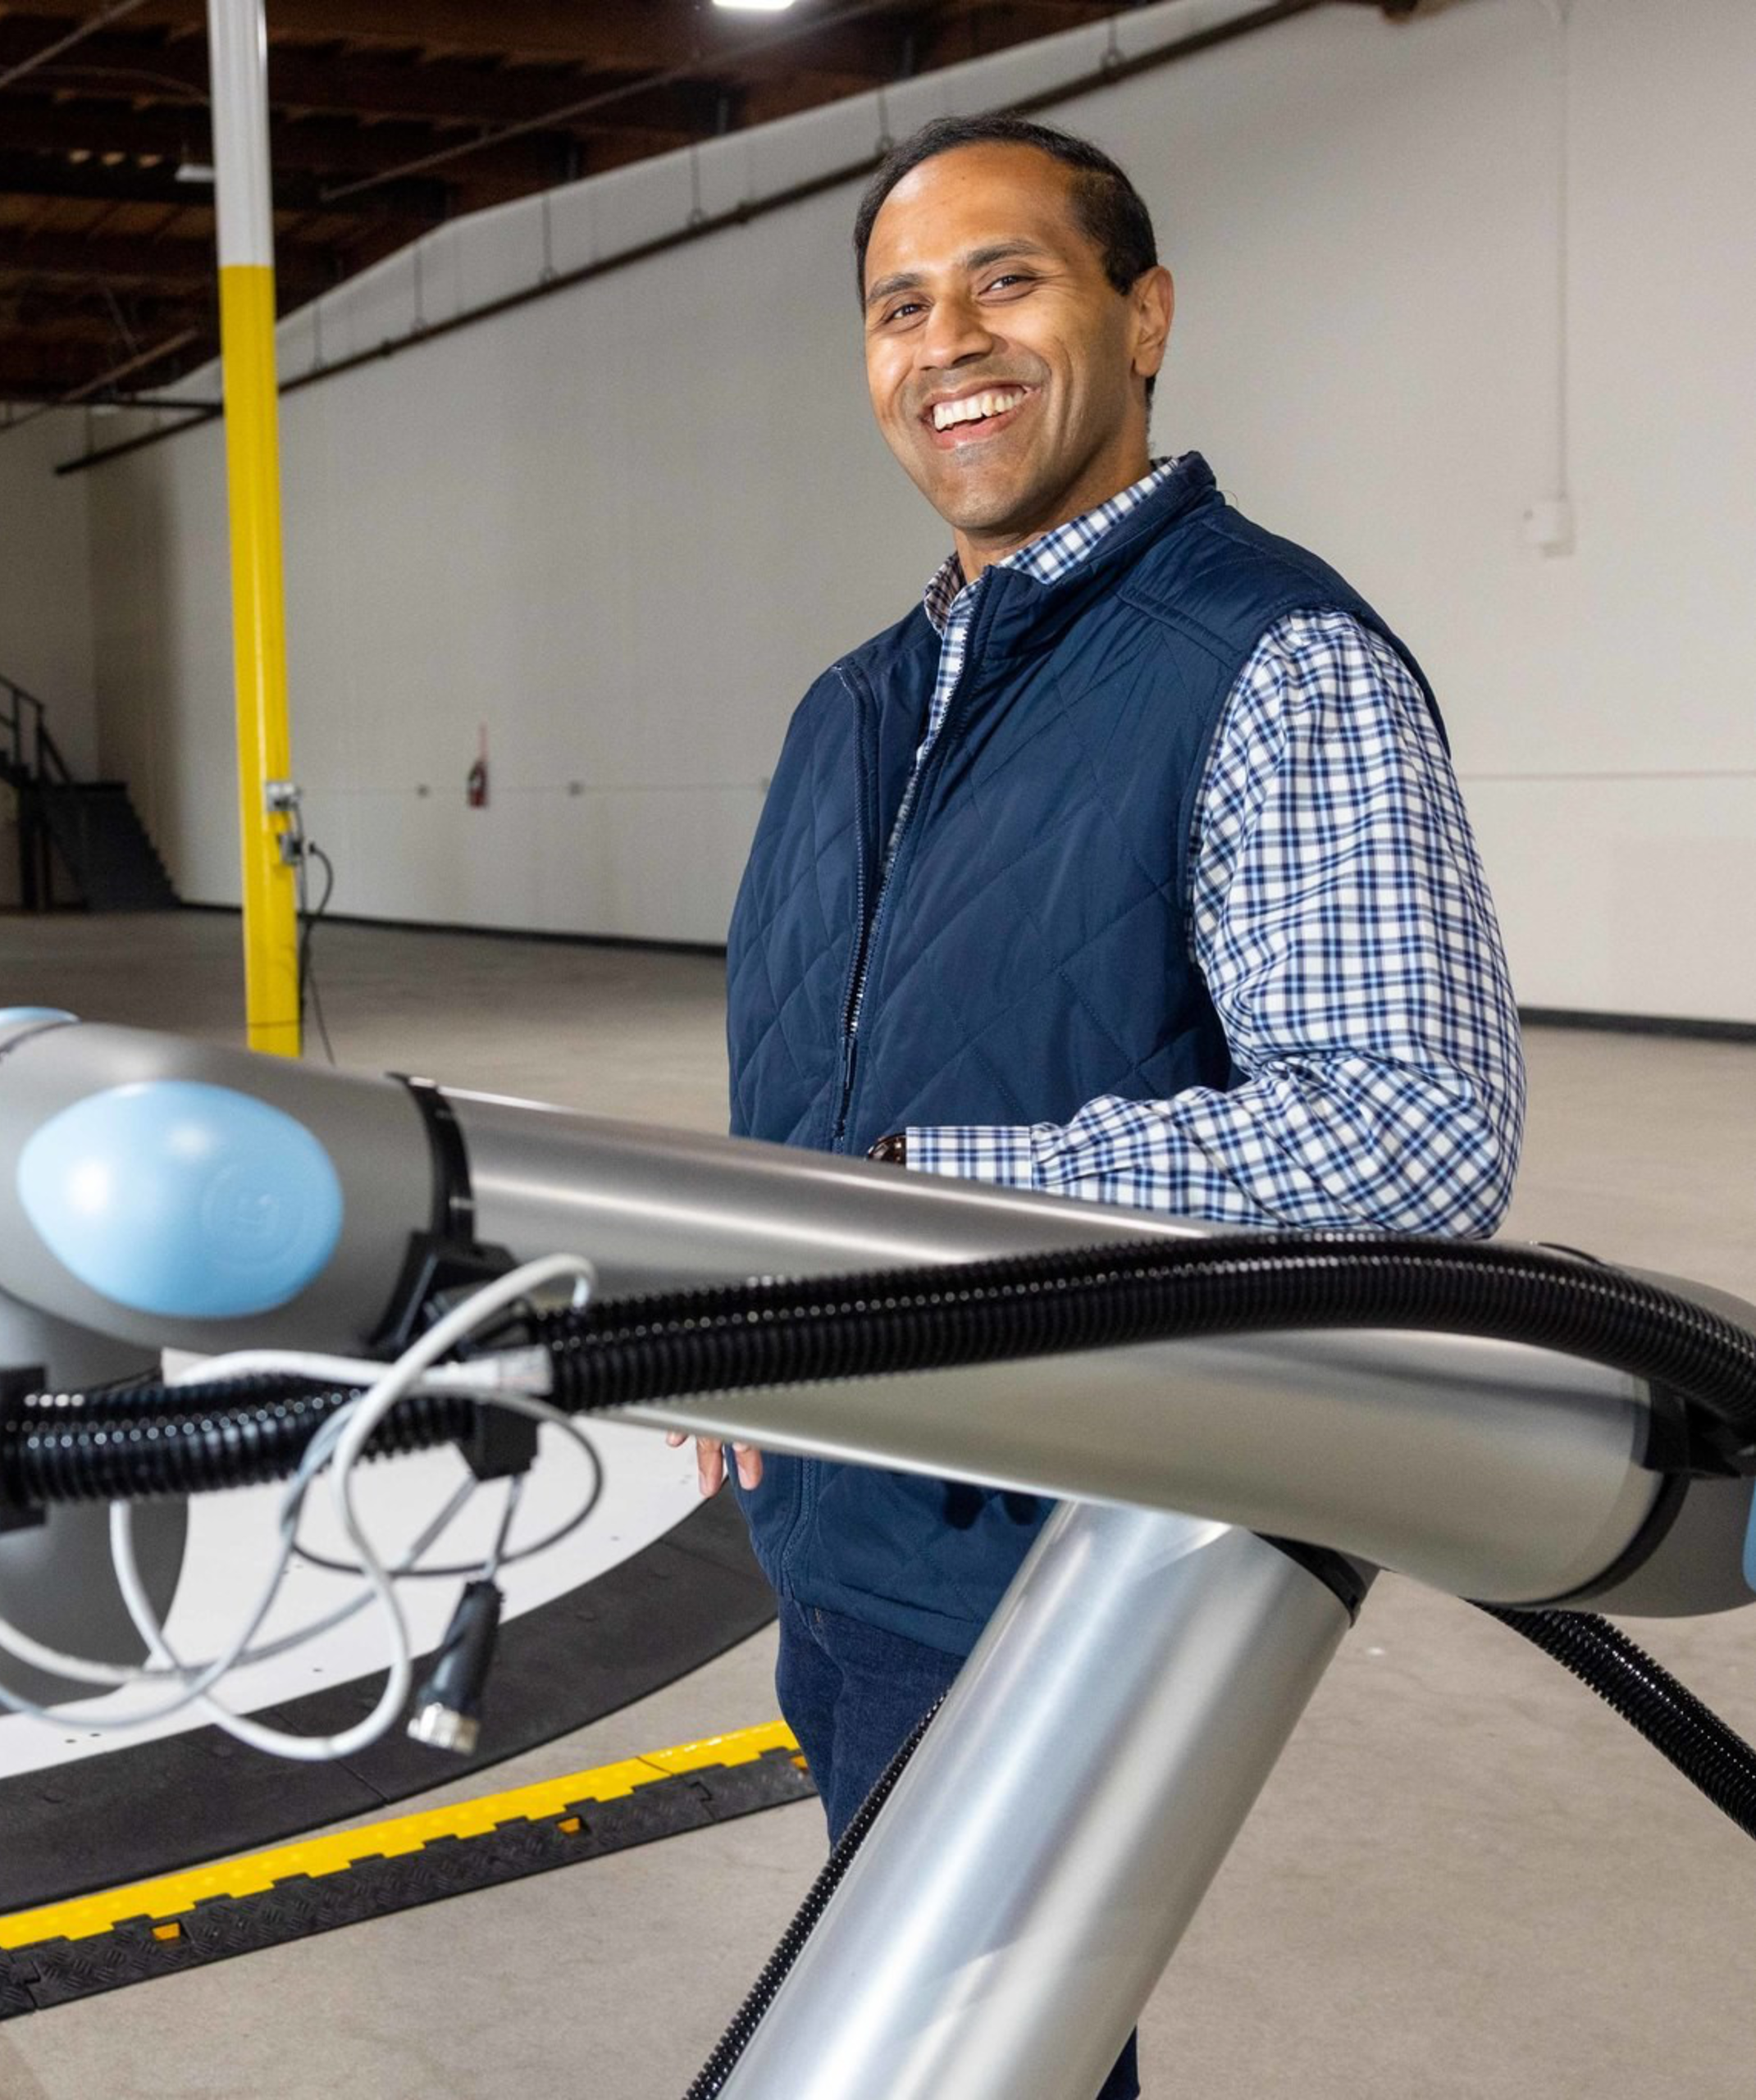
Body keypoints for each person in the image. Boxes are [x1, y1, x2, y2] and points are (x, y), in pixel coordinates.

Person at [687, 114, 1526, 2098]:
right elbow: (824, 1072)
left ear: (1143, 319)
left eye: (1008, 280)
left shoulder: (1267, 658)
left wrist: (911, 1198)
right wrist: (742, 1307)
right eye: (901, 306)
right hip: (856, 1525)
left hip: (1072, 1544)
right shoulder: (852, 707)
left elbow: (1414, 1135)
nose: (946, 341)